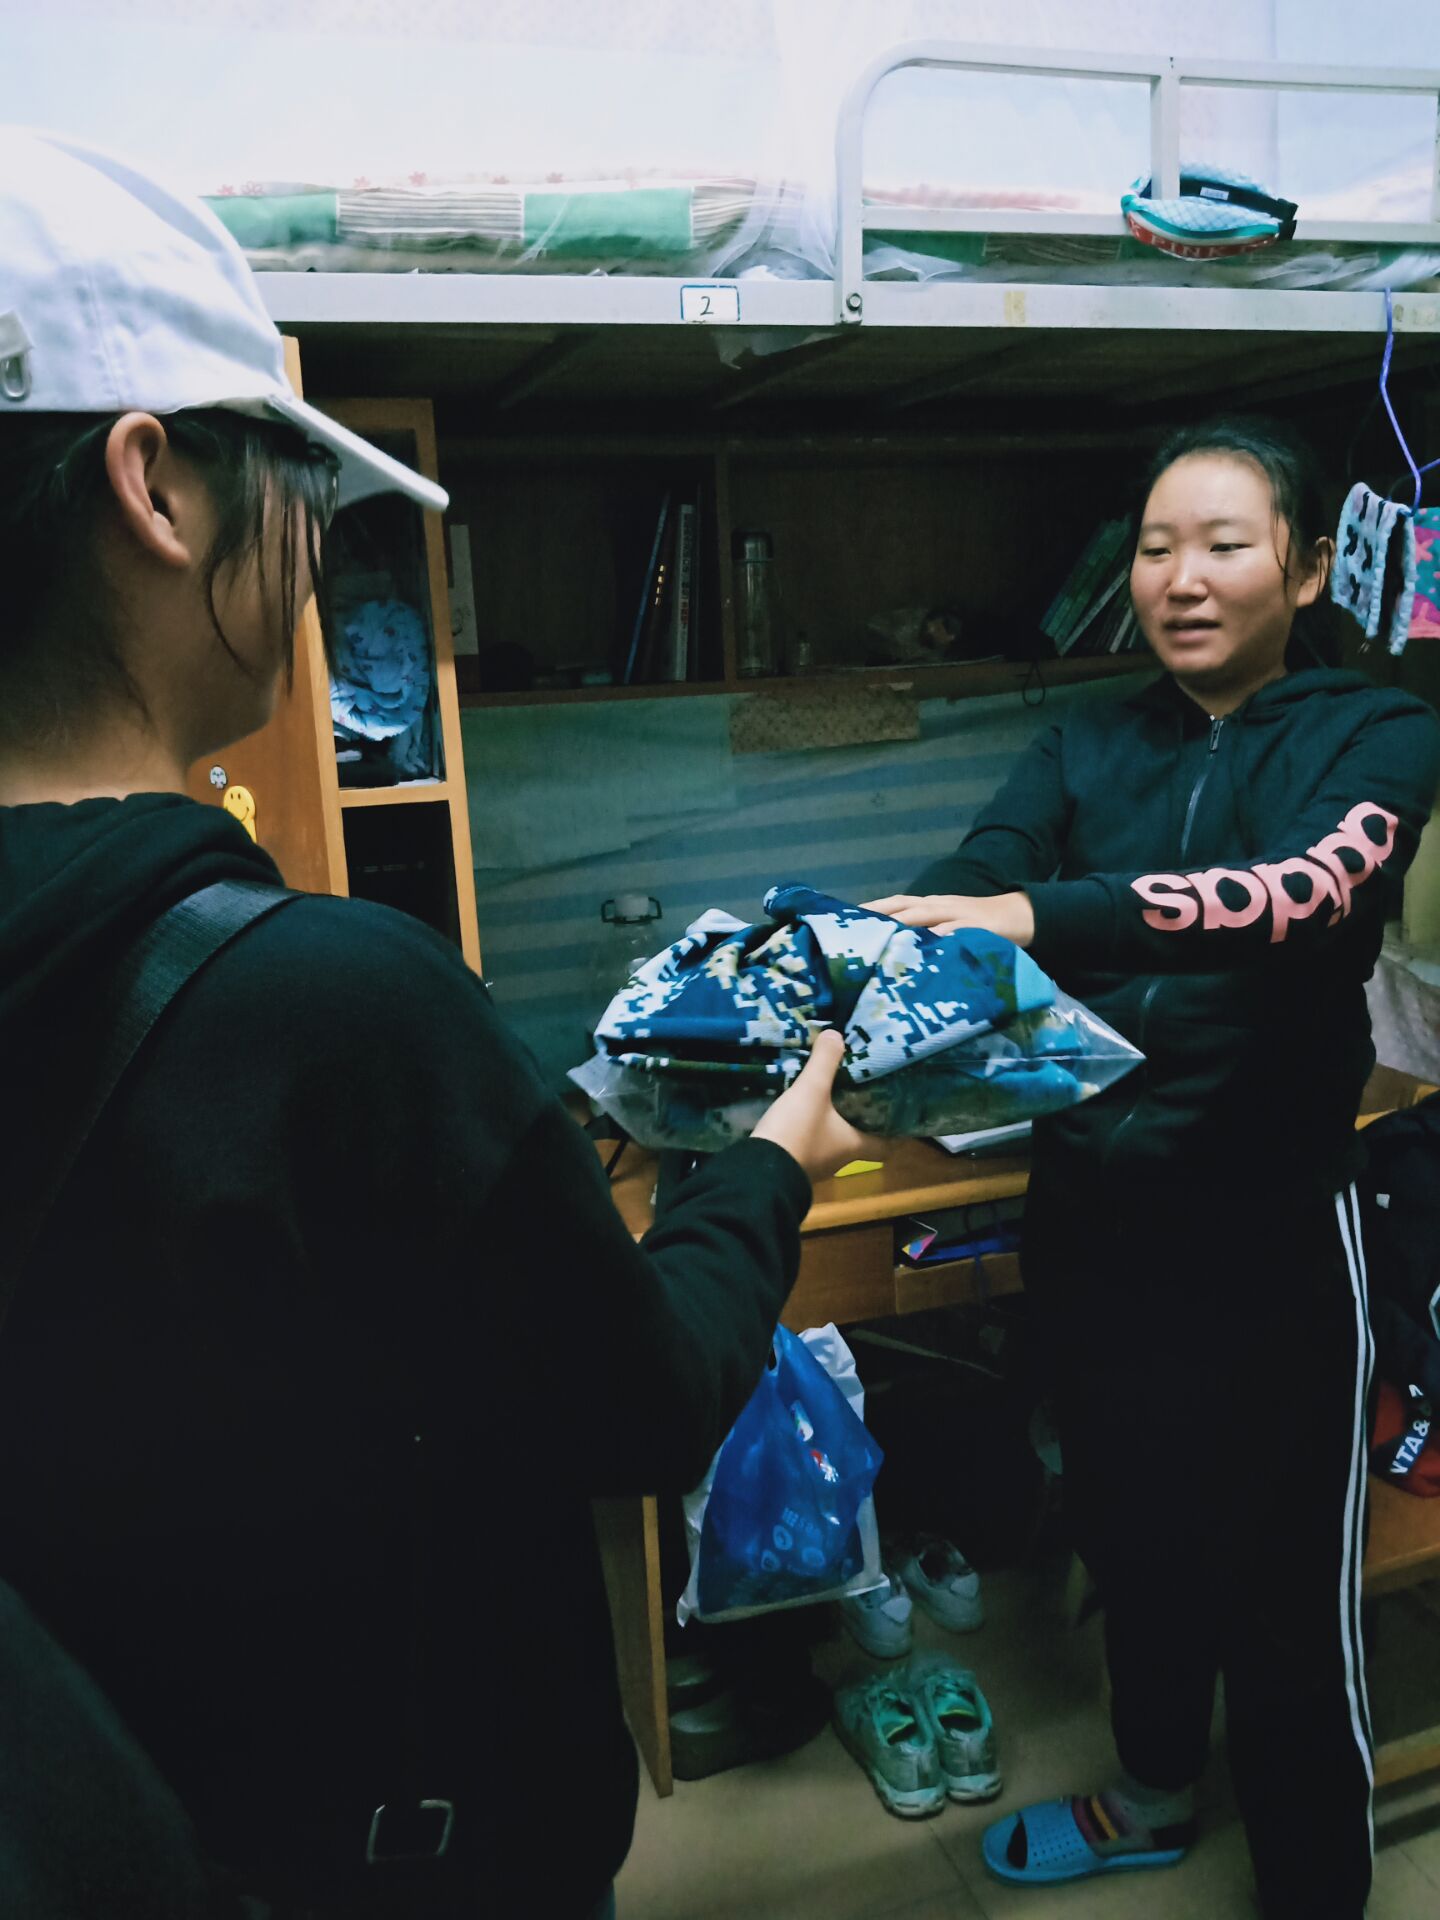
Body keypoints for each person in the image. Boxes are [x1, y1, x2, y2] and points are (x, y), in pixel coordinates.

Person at [0, 130, 873, 1918]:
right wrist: (776, 1160)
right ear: (155, 489)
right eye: (299, 495)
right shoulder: (330, 1000)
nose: (317, 559)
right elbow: (642, 1405)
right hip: (401, 1862)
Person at [867, 416, 1440, 1920]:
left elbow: (1298, 896)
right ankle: (1151, 1795)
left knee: (1288, 1598)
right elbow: (988, 868)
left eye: (1225, 545)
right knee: (1135, 1536)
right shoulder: (1085, 740)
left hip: (1272, 1238)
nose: (1180, 578)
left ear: (1305, 572)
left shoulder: (1375, 732)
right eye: (1154, 547)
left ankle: (1316, 1887)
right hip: (1095, 1226)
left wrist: (1037, 919)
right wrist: (889, 935)